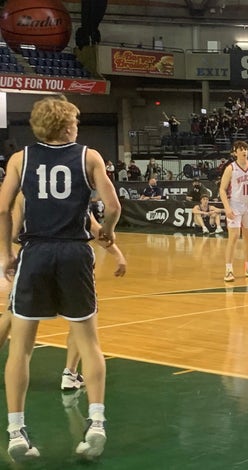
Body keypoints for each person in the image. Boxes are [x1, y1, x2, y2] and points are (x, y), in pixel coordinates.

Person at [0, 96, 123, 460]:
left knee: (21, 347)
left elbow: (3, 206)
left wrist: (6, 251)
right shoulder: (90, 157)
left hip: (35, 252)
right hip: (74, 252)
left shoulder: (21, 159)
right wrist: (109, 233)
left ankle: (16, 431)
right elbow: (113, 206)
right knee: (90, 342)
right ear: (69, 125)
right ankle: (97, 422)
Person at [219, 141, 248, 282]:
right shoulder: (231, 168)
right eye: (241, 149)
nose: (244, 151)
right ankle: (228, 270)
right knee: (233, 237)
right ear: (235, 152)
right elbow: (222, 189)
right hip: (235, 205)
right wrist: (227, 207)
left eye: (246, 149)